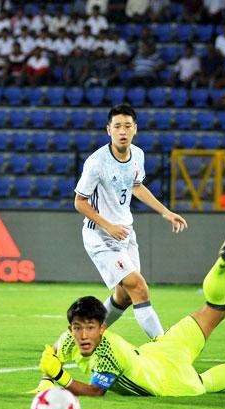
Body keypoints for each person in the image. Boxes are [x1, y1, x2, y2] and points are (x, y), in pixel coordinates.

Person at [31, 214, 225, 396]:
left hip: (167, 379)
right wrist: (44, 384)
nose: (83, 335)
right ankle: (224, 265)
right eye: (77, 328)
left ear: (103, 328)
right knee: (215, 310)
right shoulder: (68, 339)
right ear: (70, 328)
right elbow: (54, 356)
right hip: (163, 347)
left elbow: (94, 391)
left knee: (203, 383)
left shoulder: (109, 353)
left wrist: (58, 377)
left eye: (89, 328)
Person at [74, 104, 188, 340]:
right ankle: (165, 347)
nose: (122, 131)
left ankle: (83, 337)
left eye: (127, 126)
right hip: (101, 236)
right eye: (117, 126)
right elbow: (80, 202)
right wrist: (109, 226)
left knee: (124, 297)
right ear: (108, 130)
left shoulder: (137, 155)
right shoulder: (96, 163)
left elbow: (136, 186)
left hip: (125, 233)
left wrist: (166, 212)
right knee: (139, 287)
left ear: (135, 129)